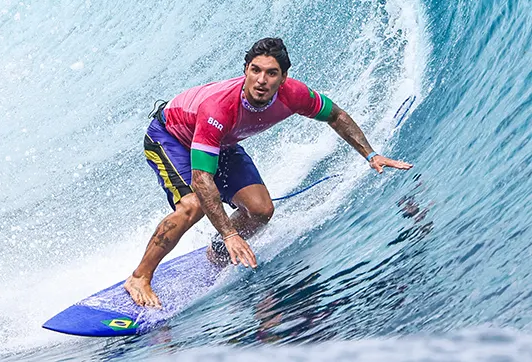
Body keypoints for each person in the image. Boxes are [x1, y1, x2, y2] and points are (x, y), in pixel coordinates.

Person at [123, 37, 413, 308]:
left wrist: (371, 155)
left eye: (271, 73)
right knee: (192, 206)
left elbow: (336, 115)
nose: (262, 80)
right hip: (171, 137)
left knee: (261, 210)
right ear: (246, 70)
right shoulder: (220, 107)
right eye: (255, 70)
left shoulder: (294, 94)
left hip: (221, 142)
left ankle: (217, 254)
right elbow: (201, 179)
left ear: (283, 78)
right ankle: (140, 276)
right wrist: (229, 232)